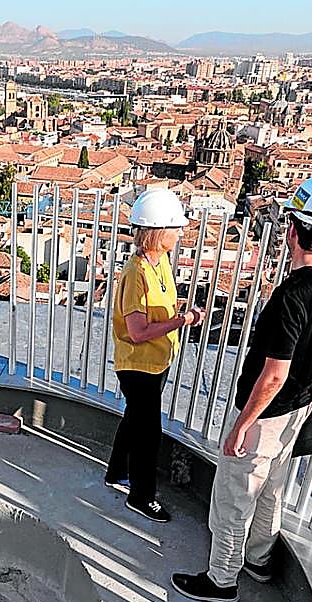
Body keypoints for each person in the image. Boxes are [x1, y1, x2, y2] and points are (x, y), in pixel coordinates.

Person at [172, 173, 312, 602]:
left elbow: (273, 374)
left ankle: (221, 582)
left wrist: (242, 424)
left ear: (293, 230)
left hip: (269, 414)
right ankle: (258, 560)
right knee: (270, 491)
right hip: (297, 410)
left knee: (234, 498)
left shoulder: (291, 297)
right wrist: (311, 389)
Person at [106, 189, 204, 523]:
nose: (180, 234)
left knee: (135, 418)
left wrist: (175, 313)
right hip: (138, 365)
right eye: (175, 229)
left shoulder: (158, 261)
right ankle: (141, 496)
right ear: (158, 233)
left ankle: (116, 471)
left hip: (155, 361)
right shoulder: (137, 274)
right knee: (149, 433)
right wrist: (183, 320)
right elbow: (137, 331)